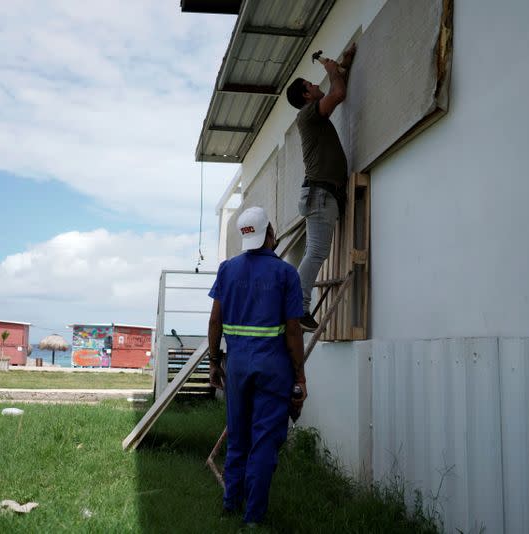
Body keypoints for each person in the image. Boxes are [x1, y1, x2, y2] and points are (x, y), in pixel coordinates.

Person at [207, 206, 307, 526]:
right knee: (264, 442)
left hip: (236, 367)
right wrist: (300, 377)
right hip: (273, 368)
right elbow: (293, 331)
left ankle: (229, 505)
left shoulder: (227, 269)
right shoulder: (286, 273)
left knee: (238, 437)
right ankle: (253, 519)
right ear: (270, 234)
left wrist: (213, 362)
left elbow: (215, 320)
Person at [285, 43, 357, 331]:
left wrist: (344, 63)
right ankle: (299, 308)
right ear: (306, 95)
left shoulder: (314, 112)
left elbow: (337, 85)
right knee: (315, 253)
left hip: (321, 194)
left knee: (314, 252)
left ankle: (298, 306)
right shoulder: (308, 114)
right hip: (319, 194)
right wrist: (332, 71)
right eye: (312, 84)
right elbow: (338, 92)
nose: (317, 85)